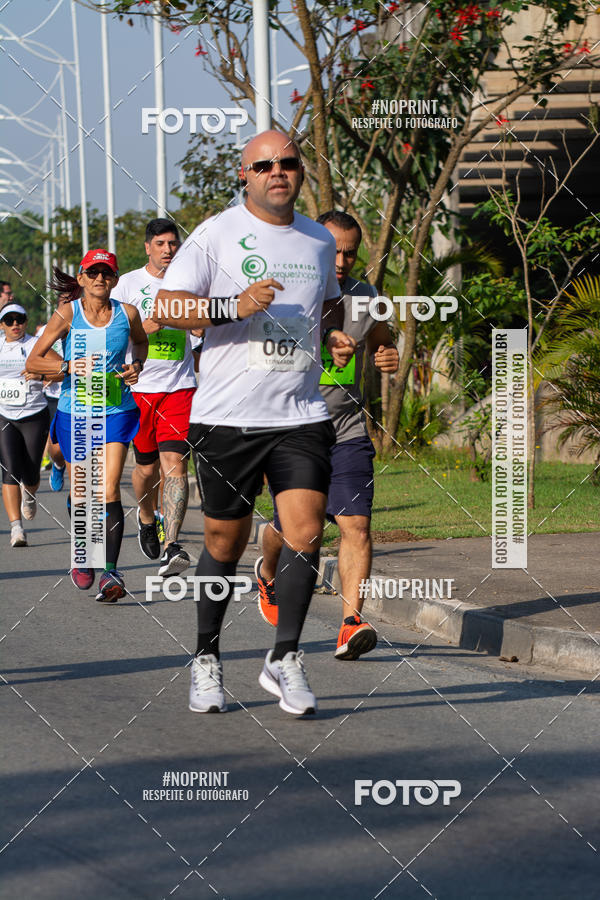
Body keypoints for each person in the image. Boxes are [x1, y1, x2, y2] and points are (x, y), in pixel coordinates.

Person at [154, 129, 355, 716]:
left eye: (288, 163)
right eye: (263, 164)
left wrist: (335, 336)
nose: (277, 171)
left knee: (307, 529)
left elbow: (327, 303)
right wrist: (231, 307)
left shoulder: (319, 240)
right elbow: (166, 307)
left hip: (300, 413)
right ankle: (207, 659)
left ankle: (285, 656)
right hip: (226, 417)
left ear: (299, 171)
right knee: (225, 541)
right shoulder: (216, 233)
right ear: (245, 174)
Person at [256, 211, 400, 659]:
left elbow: (380, 332)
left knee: (355, 523)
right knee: (301, 531)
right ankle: (267, 568)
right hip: (294, 430)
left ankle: (351, 622)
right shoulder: (284, 293)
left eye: (350, 251)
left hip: (347, 427)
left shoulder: (365, 296)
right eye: (333, 249)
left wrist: (385, 351)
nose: (342, 259)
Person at [26, 249, 148, 602]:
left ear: (115, 278)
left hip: (116, 409)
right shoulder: (68, 313)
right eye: (92, 273)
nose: (99, 279)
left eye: (106, 273)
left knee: (108, 489)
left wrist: (136, 365)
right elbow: (36, 358)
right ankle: (84, 555)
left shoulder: (127, 314)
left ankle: (110, 572)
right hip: (75, 411)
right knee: (84, 491)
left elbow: (141, 342)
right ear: (80, 279)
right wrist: (67, 367)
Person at [111, 219, 195, 576]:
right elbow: (113, 336)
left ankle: (172, 544)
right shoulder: (128, 284)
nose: (167, 249)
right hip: (140, 389)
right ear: (148, 247)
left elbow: (203, 327)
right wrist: (150, 325)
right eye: (160, 243)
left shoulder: (191, 283)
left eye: (173, 243)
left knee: (175, 463)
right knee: (145, 471)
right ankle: (147, 517)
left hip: (180, 386)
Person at [0, 303, 50, 547]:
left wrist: (41, 375)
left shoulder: (36, 345)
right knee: (9, 469)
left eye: (19, 319)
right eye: (9, 321)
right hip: (4, 415)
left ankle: (29, 494)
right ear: (2, 325)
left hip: (34, 414)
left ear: (26, 322)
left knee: (30, 472)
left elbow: (63, 369)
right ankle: (16, 528)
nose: (15, 325)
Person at [35, 298, 68, 490]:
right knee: (56, 448)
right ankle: (58, 464)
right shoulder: (46, 330)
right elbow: (34, 358)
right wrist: (44, 374)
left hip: (84, 393)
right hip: (55, 395)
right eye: (64, 302)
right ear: (58, 305)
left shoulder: (88, 326)